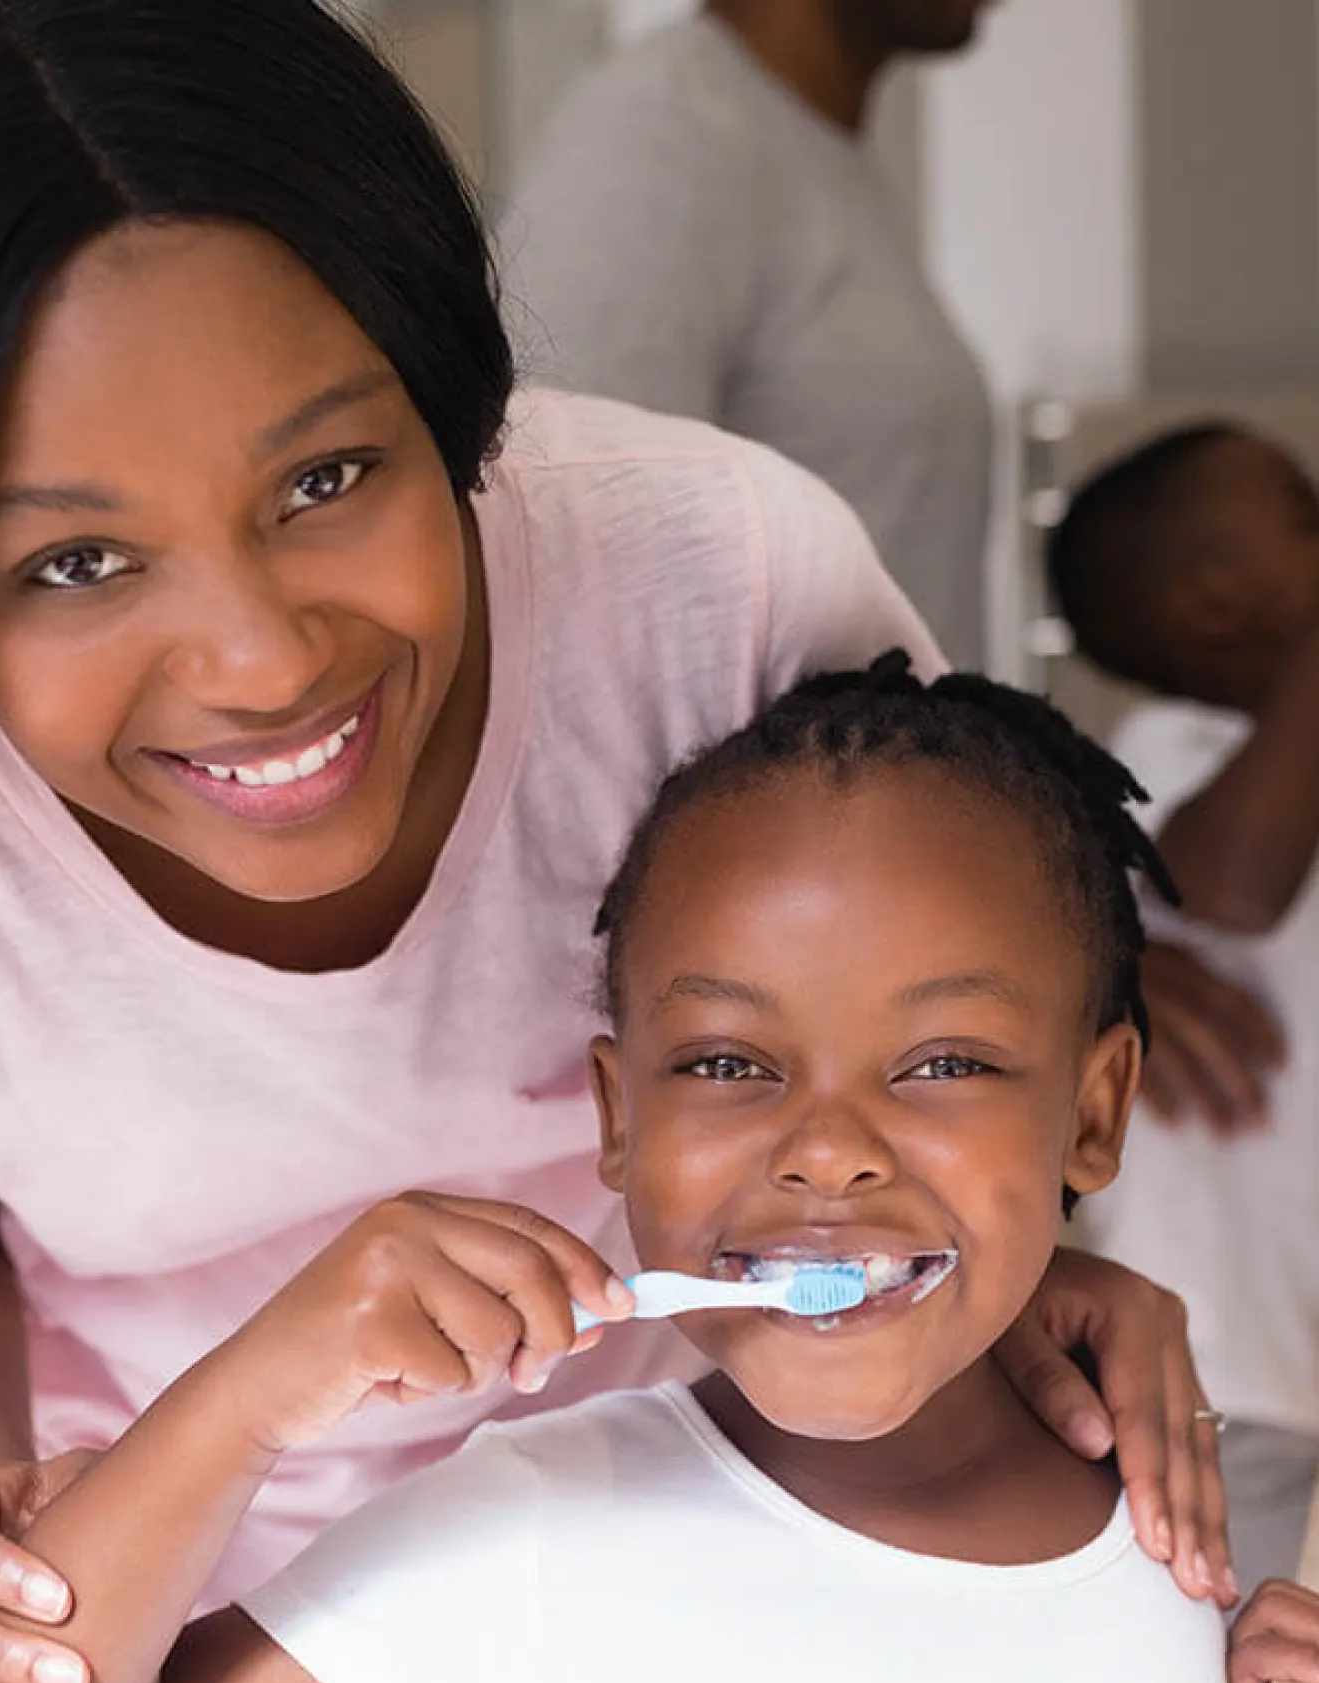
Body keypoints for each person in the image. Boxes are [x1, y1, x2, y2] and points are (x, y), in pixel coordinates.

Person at [0, 3, 1229, 1683]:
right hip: (122, 1601)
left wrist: (1005, 1291)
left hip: (684, 1537)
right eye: (74, 560)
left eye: (328, 477)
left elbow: (930, 968)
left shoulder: (719, 584)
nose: (264, 659)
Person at [0, 652, 1319, 1683]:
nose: (826, 1149)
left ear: (1093, 1110)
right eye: (726, 1065)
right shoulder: (522, 1532)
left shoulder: (1170, 1535)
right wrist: (253, 1396)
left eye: (945, 1063)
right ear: (616, 1115)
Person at [494, 0, 1287, 1144]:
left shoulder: (809, 151)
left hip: (870, 934)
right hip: (779, 983)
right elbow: (565, 593)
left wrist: (1047, 923)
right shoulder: (662, 142)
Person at [495, 0, 996, 671]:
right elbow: (565, 554)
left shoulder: (811, 145)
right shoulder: (659, 133)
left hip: (899, 763)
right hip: (801, 772)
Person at [1048, 421, 1319, 1600]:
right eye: (1308, 518)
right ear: (1213, 605)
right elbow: (1233, 882)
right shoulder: (1163, 758)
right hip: (1230, 1389)